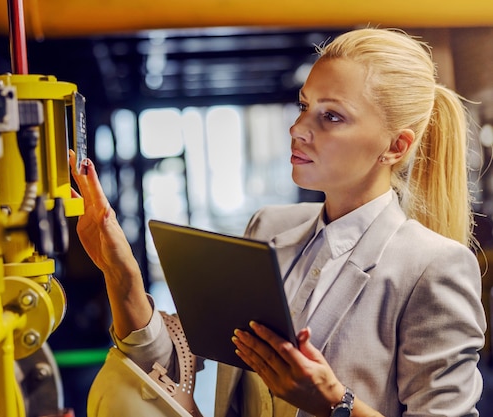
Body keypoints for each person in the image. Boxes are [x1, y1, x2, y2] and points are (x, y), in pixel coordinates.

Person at [69, 27, 487, 417]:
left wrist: (334, 404)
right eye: (305, 105)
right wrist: (120, 272)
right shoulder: (268, 228)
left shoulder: (434, 267)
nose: (298, 127)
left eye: (332, 116)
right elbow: (172, 370)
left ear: (396, 146)